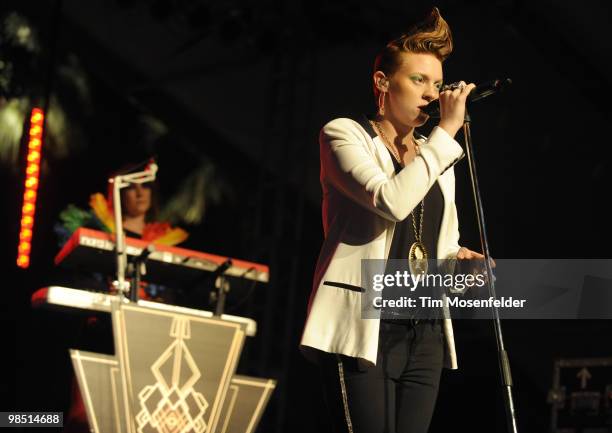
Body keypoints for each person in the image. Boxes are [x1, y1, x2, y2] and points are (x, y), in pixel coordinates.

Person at [300, 8, 486, 433]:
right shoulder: (345, 135)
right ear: (383, 83)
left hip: (425, 332)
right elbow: (391, 201)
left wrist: (461, 260)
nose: (431, 94)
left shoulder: (438, 155)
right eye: (418, 80)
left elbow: (439, 243)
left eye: (437, 84)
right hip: (366, 325)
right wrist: (446, 135)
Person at [57, 161, 187, 432]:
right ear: (118, 192)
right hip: (101, 340)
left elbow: (172, 298)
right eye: (131, 187)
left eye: (146, 186)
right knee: (85, 419)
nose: (140, 193)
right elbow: (80, 284)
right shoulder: (98, 235)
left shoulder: (165, 243)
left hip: (146, 348)